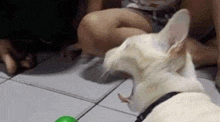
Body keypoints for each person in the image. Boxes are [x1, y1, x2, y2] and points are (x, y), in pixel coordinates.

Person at [77, 0, 220, 84]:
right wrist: (84, 39)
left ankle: (201, 52)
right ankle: (203, 52)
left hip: (194, 12)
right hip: (143, 14)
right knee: (91, 29)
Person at [0, 0, 105, 75]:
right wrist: (85, 36)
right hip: (54, 23)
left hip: (10, 23)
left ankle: (4, 46)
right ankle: (51, 39)